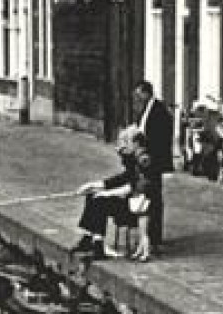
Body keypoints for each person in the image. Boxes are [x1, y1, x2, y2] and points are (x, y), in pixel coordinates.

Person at [70, 127, 157, 261]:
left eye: (126, 142)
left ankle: (98, 246)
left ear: (136, 143)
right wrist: (95, 185)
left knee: (100, 201)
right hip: (132, 202)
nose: (123, 146)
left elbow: (134, 187)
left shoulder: (144, 160)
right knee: (93, 195)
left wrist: (107, 193)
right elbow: (122, 178)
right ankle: (89, 239)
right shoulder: (134, 158)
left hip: (138, 208)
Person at [133, 80, 173, 253]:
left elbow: (161, 136)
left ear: (146, 92)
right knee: (148, 194)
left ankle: (154, 235)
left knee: (154, 195)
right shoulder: (147, 108)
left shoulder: (159, 110)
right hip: (146, 157)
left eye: (139, 94)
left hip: (154, 159)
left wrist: (149, 152)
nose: (138, 97)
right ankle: (148, 233)